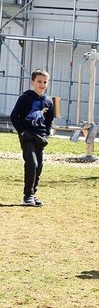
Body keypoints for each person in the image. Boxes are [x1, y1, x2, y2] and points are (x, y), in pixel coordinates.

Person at [10, 69, 55, 207]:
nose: (42, 84)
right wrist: (22, 133)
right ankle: (27, 196)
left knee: (39, 166)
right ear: (32, 82)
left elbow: (49, 121)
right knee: (32, 164)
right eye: (39, 81)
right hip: (28, 136)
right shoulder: (25, 98)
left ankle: (33, 193)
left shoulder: (48, 101)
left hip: (40, 138)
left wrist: (46, 133)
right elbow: (14, 116)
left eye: (45, 82)